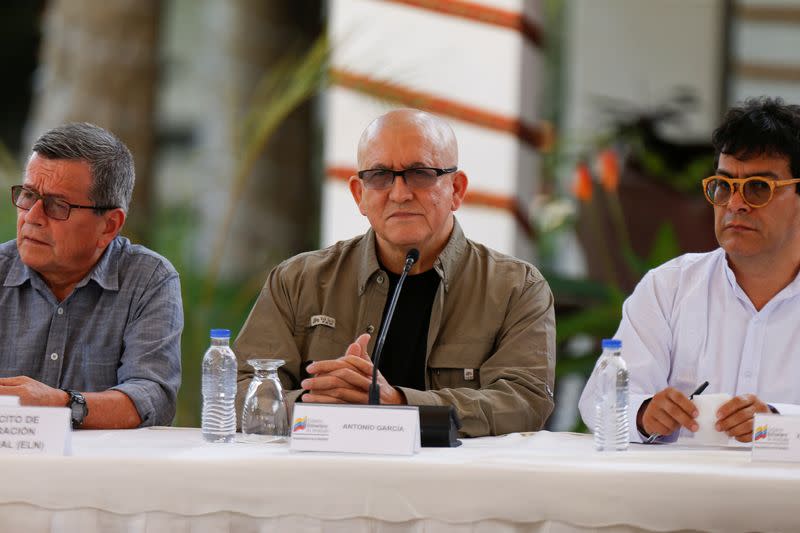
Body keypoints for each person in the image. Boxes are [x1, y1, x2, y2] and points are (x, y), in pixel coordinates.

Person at [235, 109, 555, 437]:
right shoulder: (298, 281)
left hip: (456, 482)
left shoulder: (517, 288)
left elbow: (525, 401)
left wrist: (400, 404)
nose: (400, 194)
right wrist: (318, 405)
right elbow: (238, 388)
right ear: (359, 194)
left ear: (457, 190)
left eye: (420, 173)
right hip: (326, 477)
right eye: (379, 175)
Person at [579, 97, 800, 443]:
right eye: (724, 185)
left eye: (759, 188)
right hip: (680, 494)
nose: (735, 204)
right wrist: (643, 413)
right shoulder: (668, 288)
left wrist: (776, 420)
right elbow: (598, 402)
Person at [0, 122, 183, 429]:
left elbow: (153, 396)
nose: (32, 217)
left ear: (109, 225)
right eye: (28, 195)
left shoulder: (148, 279)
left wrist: (61, 404)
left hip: (102, 472)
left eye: (58, 205)